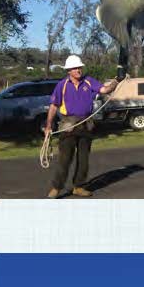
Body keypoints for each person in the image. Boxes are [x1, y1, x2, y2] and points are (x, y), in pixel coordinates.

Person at [45, 55, 118, 199]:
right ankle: (56, 188)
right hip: (68, 125)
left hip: (86, 124)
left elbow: (104, 90)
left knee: (83, 160)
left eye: (79, 67)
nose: (78, 70)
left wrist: (116, 81)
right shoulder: (62, 85)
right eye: (75, 68)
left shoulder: (89, 81)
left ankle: (78, 187)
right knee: (65, 160)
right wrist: (48, 125)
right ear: (69, 71)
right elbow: (53, 106)